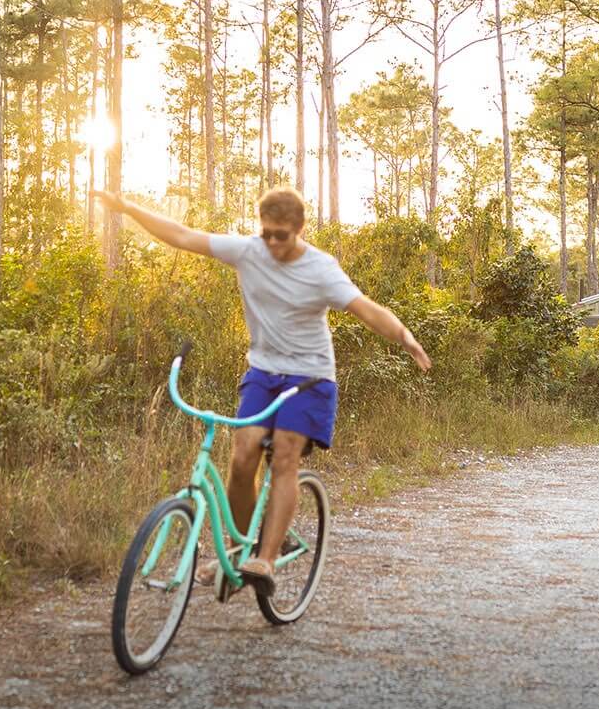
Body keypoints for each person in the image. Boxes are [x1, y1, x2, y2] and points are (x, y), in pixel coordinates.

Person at [93, 187, 431, 597]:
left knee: (285, 454)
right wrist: (128, 207)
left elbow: (365, 308)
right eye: (266, 232)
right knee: (242, 454)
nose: (272, 242)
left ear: (299, 230)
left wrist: (404, 336)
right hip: (264, 372)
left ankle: (265, 560)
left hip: (310, 377)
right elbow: (182, 235)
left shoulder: (322, 269)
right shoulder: (248, 251)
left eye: (281, 235)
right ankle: (241, 550)